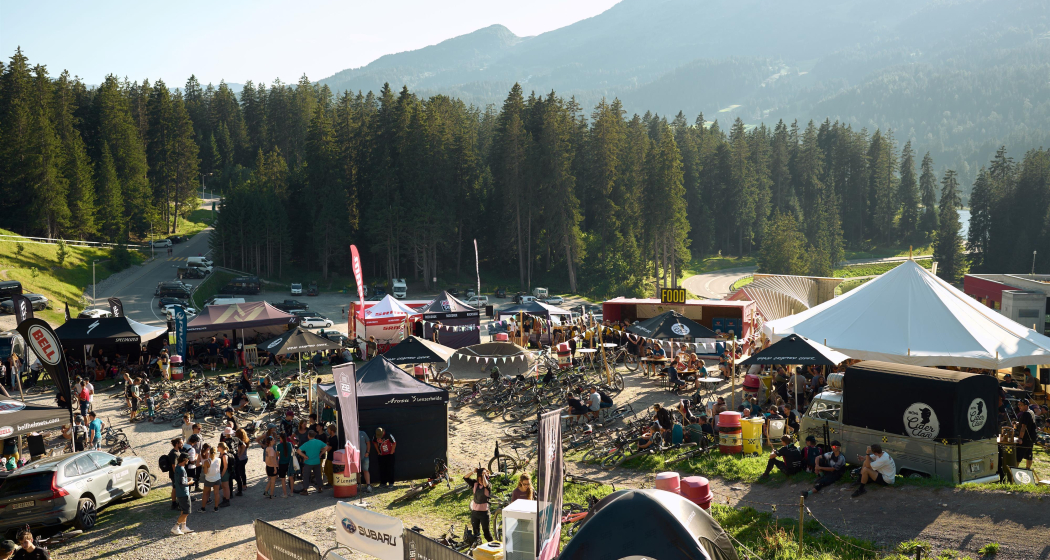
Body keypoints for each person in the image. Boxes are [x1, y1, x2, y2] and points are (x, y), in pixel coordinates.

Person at [464, 468, 494, 543]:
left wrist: (483, 475)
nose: (480, 481)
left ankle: (494, 546)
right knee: (476, 533)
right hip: (475, 513)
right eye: (479, 479)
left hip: (484, 514)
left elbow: (485, 484)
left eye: (482, 479)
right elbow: (465, 478)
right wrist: (473, 472)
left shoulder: (488, 486)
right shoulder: (475, 484)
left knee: (486, 533)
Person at [296, 430, 328, 495]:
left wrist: (304, 456)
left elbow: (298, 451)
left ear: (308, 436)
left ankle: (305, 490)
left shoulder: (306, 443)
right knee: (318, 475)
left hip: (308, 462)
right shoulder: (319, 442)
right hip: (317, 461)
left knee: (306, 476)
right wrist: (321, 453)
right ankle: (320, 488)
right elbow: (326, 447)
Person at [171, 453, 194, 535]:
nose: (188, 461)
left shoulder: (177, 467)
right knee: (186, 512)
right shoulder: (182, 470)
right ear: (184, 460)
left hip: (179, 492)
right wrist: (190, 482)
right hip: (184, 493)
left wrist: (186, 478)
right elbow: (182, 483)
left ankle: (184, 527)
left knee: (183, 510)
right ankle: (175, 527)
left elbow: (179, 479)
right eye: (187, 459)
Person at [199, 444, 221, 512]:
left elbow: (205, 472)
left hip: (209, 479)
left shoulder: (207, 461)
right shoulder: (219, 459)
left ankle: (203, 508)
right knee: (216, 493)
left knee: (205, 493)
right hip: (217, 478)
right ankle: (216, 508)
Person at [1016, 398, 1037, 470]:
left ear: (1026, 405)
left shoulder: (1026, 414)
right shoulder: (1031, 412)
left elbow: (1024, 427)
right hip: (1031, 438)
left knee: (1018, 455)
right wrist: (1018, 424)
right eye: (1018, 404)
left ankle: (1014, 471)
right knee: (1029, 455)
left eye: (1021, 405)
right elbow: (1028, 423)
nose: (1019, 406)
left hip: (1025, 438)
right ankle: (1028, 469)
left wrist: (1020, 438)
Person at [167, 437, 184, 511]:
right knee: (175, 488)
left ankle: (175, 503)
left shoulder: (177, 451)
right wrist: (177, 475)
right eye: (181, 443)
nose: (182, 444)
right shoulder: (174, 453)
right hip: (175, 474)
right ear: (177, 444)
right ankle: (174, 504)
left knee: (176, 488)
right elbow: (173, 466)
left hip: (176, 474)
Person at [233, 429, 250, 496]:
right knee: (243, 472)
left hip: (240, 459)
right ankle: (244, 484)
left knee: (239, 473)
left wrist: (238, 455)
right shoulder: (246, 440)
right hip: (245, 458)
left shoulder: (239, 442)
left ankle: (242, 485)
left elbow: (239, 451)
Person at [276, 433, 293, 498]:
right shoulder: (290, 444)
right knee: (291, 478)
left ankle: (285, 494)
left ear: (280, 438)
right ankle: (291, 492)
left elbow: (277, 455)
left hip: (282, 463)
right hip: (289, 463)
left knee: (283, 479)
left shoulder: (279, 445)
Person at [216, 442, 232, 506]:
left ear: (221, 447)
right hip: (223, 472)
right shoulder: (222, 454)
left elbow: (225, 467)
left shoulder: (224, 455)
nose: (217, 448)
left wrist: (221, 475)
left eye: (218, 447)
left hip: (224, 473)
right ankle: (225, 499)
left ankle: (227, 500)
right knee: (224, 486)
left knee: (226, 486)